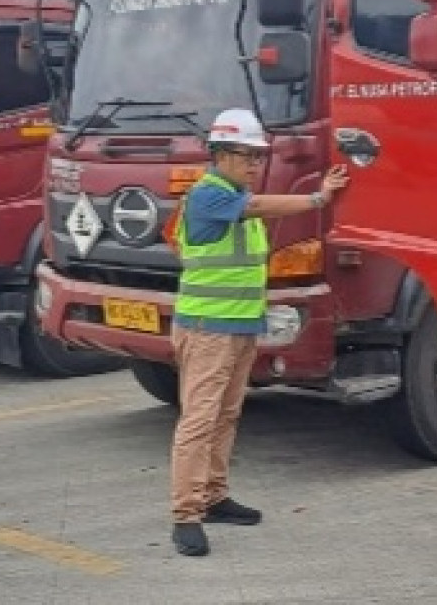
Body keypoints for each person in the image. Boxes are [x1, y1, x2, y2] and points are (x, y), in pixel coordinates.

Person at [169, 108, 349, 557]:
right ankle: (186, 515)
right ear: (221, 154)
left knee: (226, 416)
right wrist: (318, 199)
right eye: (247, 156)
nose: (255, 165)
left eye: (258, 157)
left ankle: (214, 496)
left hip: (240, 326)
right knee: (199, 420)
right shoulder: (210, 195)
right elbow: (258, 207)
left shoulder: (233, 196)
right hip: (208, 329)